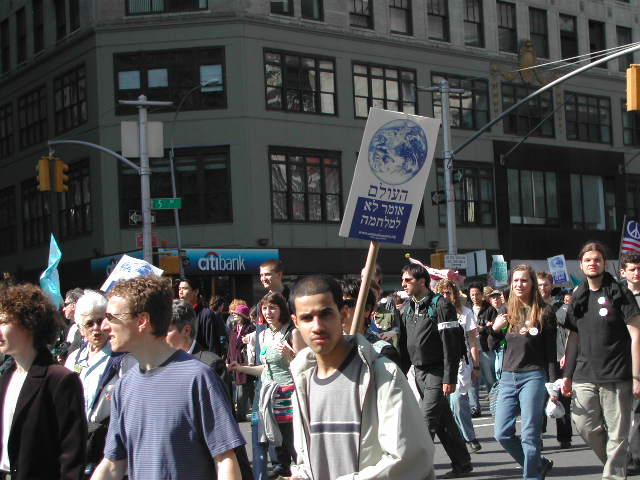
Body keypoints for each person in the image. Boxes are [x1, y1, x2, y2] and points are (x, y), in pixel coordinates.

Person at [91, 275, 244, 480]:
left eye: (111, 317)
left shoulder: (198, 378)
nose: (103, 326)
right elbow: (113, 464)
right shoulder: (124, 386)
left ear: (142, 321)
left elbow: (225, 460)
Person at [287, 274, 435, 480]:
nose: (317, 326)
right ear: (295, 321)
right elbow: (309, 458)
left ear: (343, 313)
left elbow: (410, 459)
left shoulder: (382, 374)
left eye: (326, 314)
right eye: (307, 318)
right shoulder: (302, 381)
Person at [562, 242, 640, 480]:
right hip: (584, 375)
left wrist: (637, 376)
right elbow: (573, 338)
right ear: (582, 265)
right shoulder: (578, 295)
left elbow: (636, 335)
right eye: (588, 260)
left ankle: (613, 475)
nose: (592, 263)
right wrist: (566, 375)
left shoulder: (620, 293)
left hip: (617, 375)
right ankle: (618, 463)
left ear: (605, 263)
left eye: (597, 259)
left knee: (618, 433)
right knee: (584, 425)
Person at [0, 283, 87, 479]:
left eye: (4, 322)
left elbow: (71, 456)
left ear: (28, 324)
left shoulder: (60, 380)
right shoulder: (6, 377)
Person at [398, 263, 471, 479]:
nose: (403, 284)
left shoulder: (441, 305)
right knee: (443, 422)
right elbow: (403, 346)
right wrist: (399, 374)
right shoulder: (406, 308)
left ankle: (415, 472)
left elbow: (450, 346)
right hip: (418, 373)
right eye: (402, 280)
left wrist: (449, 378)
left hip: (438, 372)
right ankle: (463, 464)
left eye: (407, 280)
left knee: (426, 421)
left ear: (422, 281)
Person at [167, 299, 253, 480]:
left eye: (166, 330)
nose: (159, 336)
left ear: (186, 331)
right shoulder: (161, 366)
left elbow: (223, 425)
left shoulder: (209, 364)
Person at [489, 265, 557, 480]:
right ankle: (539, 464)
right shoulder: (505, 310)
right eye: (516, 280)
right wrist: (495, 329)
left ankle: (532, 476)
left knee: (530, 434)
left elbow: (551, 353)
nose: (519, 284)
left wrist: (553, 386)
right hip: (508, 377)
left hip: (534, 376)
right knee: (501, 433)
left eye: (524, 280)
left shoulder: (545, 312)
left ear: (532, 284)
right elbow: (491, 344)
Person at [229, 292, 304, 479]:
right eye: (264, 308)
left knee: (294, 445)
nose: (268, 312)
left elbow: (306, 367)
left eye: (273, 308)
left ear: (282, 310)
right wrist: (241, 368)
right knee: (276, 450)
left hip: (289, 395)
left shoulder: (292, 332)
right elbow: (265, 368)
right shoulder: (264, 334)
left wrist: (292, 357)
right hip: (268, 397)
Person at [64, 290, 135, 476]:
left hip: (109, 441)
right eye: (90, 323)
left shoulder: (124, 357)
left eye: (100, 320)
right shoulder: (73, 359)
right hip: (80, 440)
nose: (96, 328)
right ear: (80, 328)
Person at [435, 279, 482, 454]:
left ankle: (470, 437)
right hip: (439, 362)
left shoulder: (466, 313)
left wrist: (476, 365)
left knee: (459, 402)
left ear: (454, 294)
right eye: (443, 293)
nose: (446, 296)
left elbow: (472, 340)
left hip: (460, 362)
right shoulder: (434, 312)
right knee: (445, 406)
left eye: (449, 292)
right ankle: (457, 439)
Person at [536, 271, 572, 450]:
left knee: (562, 397)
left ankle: (564, 437)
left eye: (546, 284)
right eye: (540, 284)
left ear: (552, 286)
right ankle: (538, 435)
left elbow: (569, 333)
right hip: (537, 360)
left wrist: (567, 353)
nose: (543, 288)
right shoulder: (531, 306)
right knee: (538, 399)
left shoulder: (560, 308)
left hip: (558, 358)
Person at [620, 251, 640, 475]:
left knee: (637, 411)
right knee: (621, 412)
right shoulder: (617, 297)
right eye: (632, 269)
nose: (636, 272)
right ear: (623, 272)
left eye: (639, 267)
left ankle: (635, 457)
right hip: (620, 360)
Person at [468, 283, 498, 418]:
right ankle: (475, 408)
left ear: (482, 294)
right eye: (472, 294)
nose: (475, 297)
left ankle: (495, 407)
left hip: (486, 348)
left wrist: (483, 328)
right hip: (470, 348)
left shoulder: (490, 310)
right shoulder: (466, 309)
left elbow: (495, 329)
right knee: (471, 380)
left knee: (490, 379)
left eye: (477, 294)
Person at [178, 277, 227, 357]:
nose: (180, 292)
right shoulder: (180, 314)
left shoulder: (206, 314)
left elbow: (213, 347)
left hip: (201, 363)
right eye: (179, 288)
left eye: (185, 288)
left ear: (196, 291)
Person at [227, 303, 256, 422]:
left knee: (244, 387)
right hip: (235, 361)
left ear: (243, 316)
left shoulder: (250, 329)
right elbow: (230, 347)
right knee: (247, 388)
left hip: (245, 362)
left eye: (237, 314)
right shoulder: (234, 329)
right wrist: (228, 360)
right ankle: (256, 410)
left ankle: (241, 414)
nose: (234, 316)